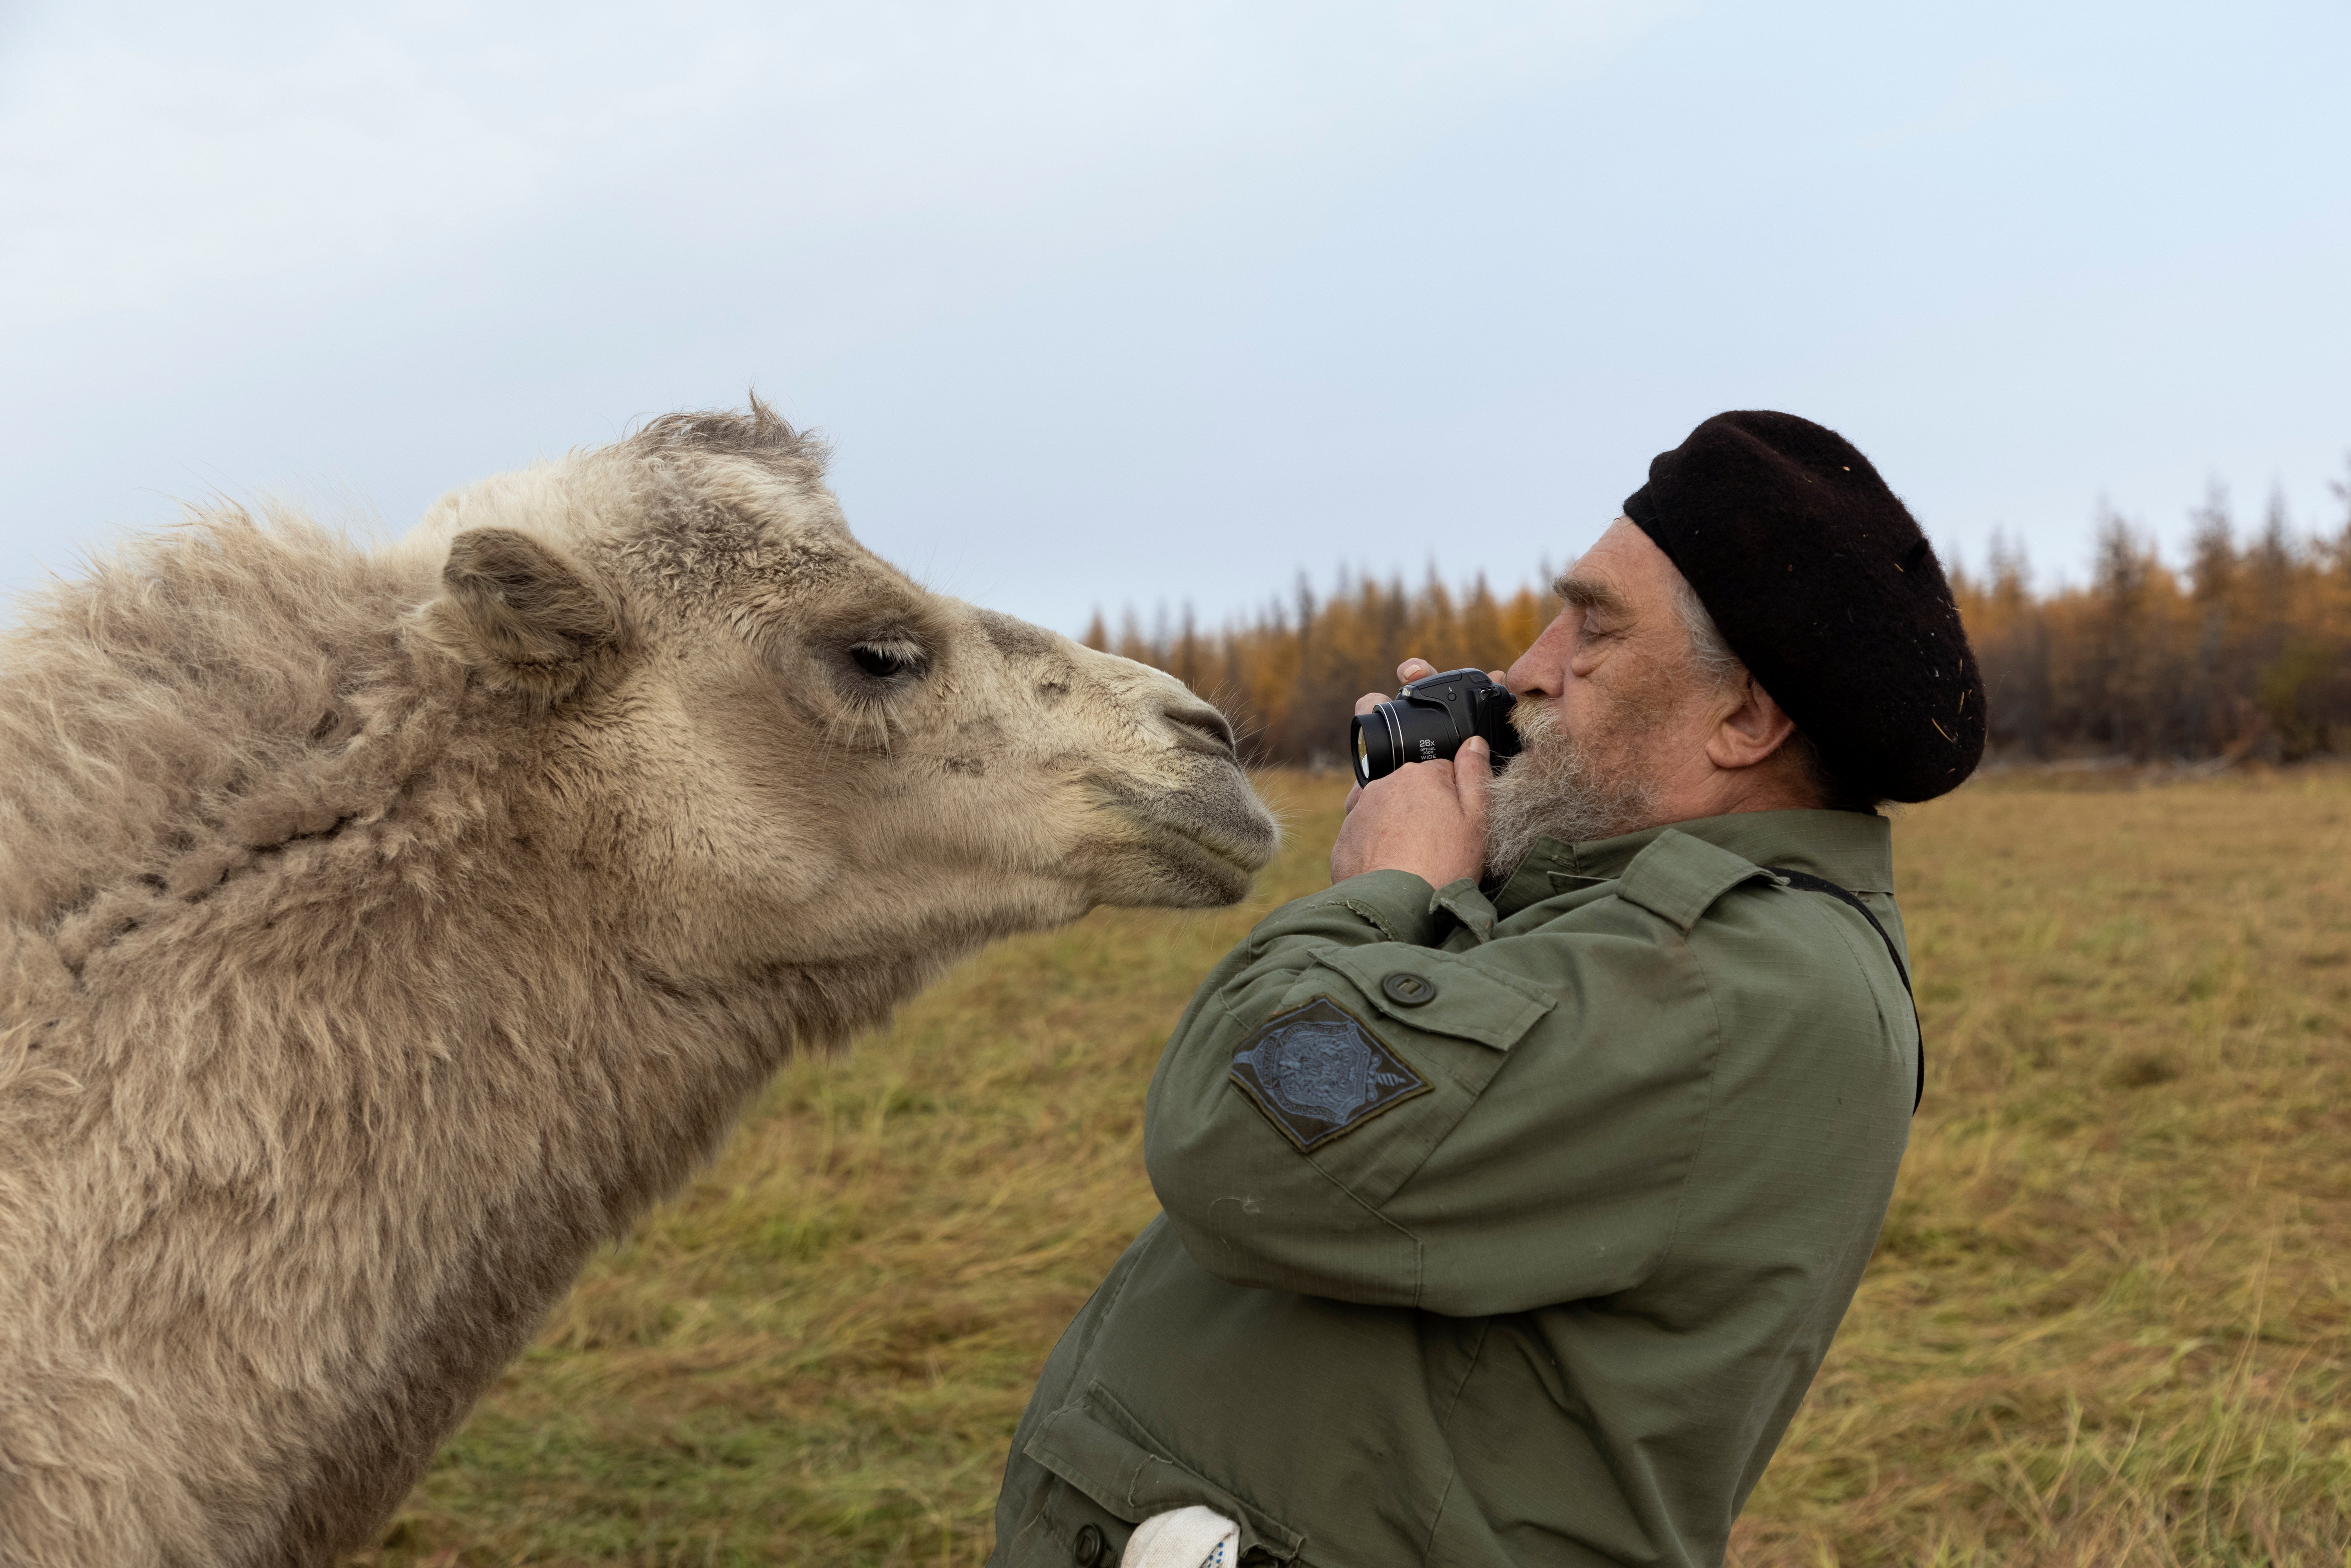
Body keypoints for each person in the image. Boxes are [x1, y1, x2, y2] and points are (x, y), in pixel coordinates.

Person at [990, 411, 1987, 1568]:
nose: (1527, 669)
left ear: (1746, 718)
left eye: (1594, 630)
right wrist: (1501, 828)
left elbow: (1249, 1126)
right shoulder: (1639, 925)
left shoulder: (1732, 984)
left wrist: (1395, 883)